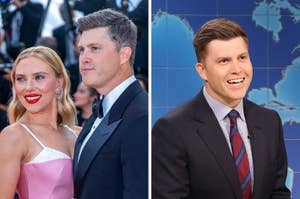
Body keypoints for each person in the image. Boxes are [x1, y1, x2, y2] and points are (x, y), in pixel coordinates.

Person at [152, 18, 291, 199]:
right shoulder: (172, 130)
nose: (237, 69)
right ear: (202, 70)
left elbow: (278, 192)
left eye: (242, 58)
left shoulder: (269, 121)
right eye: (224, 61)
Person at [73, 9, 148, 199]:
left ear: (124, 55)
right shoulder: (102, 109)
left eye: (95, 48)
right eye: (82, 49)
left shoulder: (141, 117)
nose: (84, 58)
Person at [0, 46, 81, 198]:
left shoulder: (79, 134)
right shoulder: (14, 137)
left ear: (59, 83)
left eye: (39, 77)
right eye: (21, 79)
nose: (29, 87)